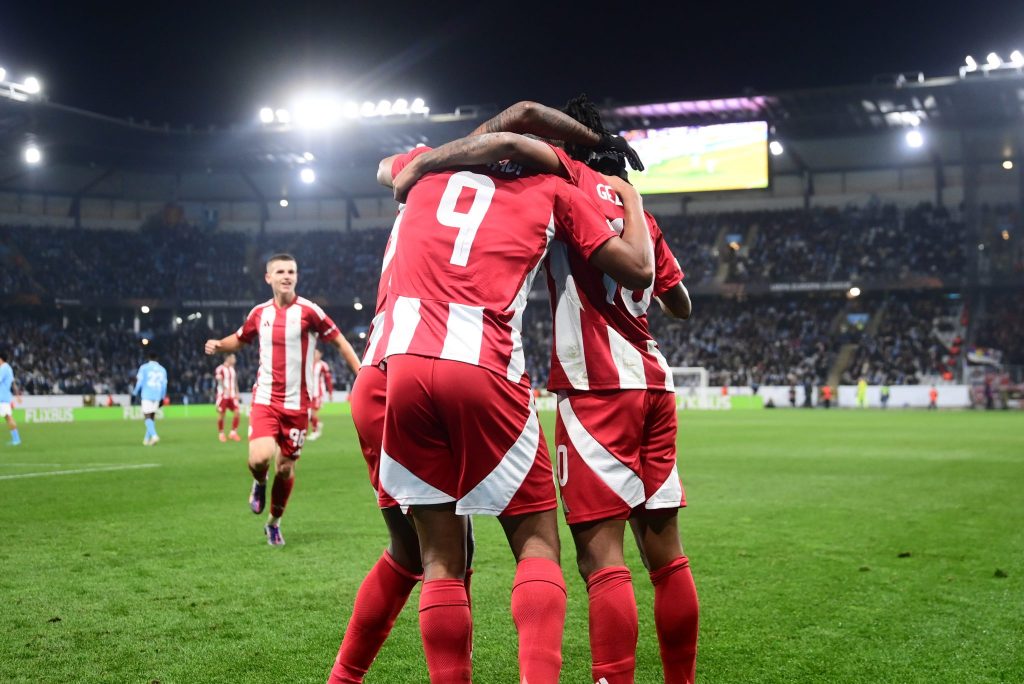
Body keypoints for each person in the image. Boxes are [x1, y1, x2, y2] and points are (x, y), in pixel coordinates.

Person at [396, 96, 699, 683]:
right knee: (667, 558)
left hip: (595, 388)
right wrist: (634, 204)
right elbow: (679, 304)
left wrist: (426, 163)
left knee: (601, 558)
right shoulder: (639, 212)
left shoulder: (566, 180)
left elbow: (514, 135)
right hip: (654, 384)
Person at [204, 254, 361, 546]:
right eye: (280, 271)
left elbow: (340, 341)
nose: (286, 276)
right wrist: (220, 345)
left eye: (291, 271)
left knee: (286, 468)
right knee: (259, 458)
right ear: (269, 278)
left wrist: (361, 375)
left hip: (298, 405)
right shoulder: (259, 313)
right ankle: (259, 481)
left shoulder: (310, 312)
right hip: (265, 399)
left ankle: (274, 523)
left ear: (296, 276)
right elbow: (240, 338)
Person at [133, 350, 167, 446]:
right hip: (157, 396)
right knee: (151, 417)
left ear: (148, 358)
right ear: (157, 359)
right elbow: (164, 385)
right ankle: (146, 440)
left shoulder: (144, 368)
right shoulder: (162, 369)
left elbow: (139, 382)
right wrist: (162, 397)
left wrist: (134, 393)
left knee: (147, 417)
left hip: (147, 395)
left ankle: (154, 436)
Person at [214, 353, 242, 442]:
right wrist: (225, 389)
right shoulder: (220, 369)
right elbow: (219, 381)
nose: (235, 360)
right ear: (228, 358)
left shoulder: (232, 369)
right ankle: (221, 434)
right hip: (223, 395)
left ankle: (233, 433)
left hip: (232, 395)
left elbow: (235, 382)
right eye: (233, 358)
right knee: (222, 414)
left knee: (237, 412)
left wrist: (237, 392)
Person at [308, 349, 333, 441]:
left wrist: (330, 392)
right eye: (314, 353)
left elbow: (328, 379)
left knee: (313, 412)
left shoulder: (323, 365)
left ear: (320, 354)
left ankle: (315, 432)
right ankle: (317, 424)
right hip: (308, 392)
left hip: (317, 393)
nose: (315, 355)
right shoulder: (308, 364)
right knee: (308, 413)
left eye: (317, 353)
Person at [0, 350, 21, 446]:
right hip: (5, 397)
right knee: (8, 417)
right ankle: (16, 439)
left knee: (8, 417)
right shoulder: (8, 368)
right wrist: (17, 395)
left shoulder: (3, 368)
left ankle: (16, 439)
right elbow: (13, 383)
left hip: (2, 397)